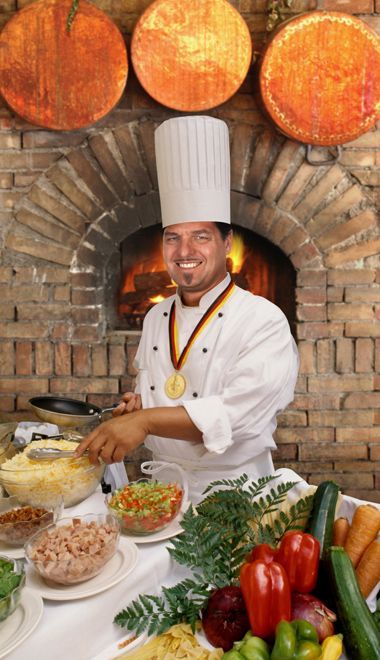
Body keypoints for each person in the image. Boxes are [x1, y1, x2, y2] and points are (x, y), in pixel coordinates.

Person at [76, 115, 299, 503]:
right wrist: (142, 404)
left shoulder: (264, 320)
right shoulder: (156, 316)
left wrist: (145, 422)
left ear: (227, 243)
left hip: (235, 493)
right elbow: (171, 387)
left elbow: (235, 416)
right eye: (173, 239)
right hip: (161, 488)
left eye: (201, 237)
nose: (185, 252)